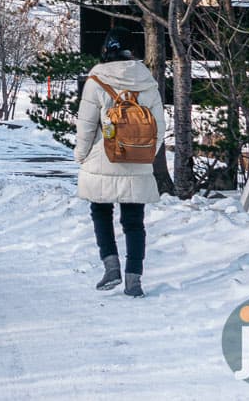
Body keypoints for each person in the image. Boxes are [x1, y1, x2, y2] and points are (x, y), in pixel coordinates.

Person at [74, 32, 166, 298]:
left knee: (101, 211)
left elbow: (87, 125)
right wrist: (145, 153)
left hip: (103, 158)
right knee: (134, 222)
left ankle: (110, 265)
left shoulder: (97, 80)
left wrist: (81, 155)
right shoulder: (147, 82)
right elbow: (159, 126)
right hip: (138, 159)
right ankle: (134, 279)